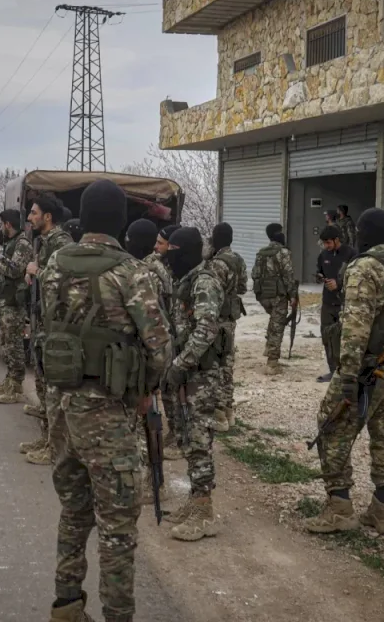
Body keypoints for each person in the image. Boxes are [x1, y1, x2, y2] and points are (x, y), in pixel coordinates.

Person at [42, 179, 172, 622]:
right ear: (119, 220)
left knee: (73, 511)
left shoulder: (54, 263)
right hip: (107, 414)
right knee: (117, 527)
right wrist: (145, 391)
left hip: (61, 408)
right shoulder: (131, 271)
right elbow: (160, 347)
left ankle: (66, 605)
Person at [305, 209, 384, 536]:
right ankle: (382, 510)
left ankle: (339, 507)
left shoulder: (363, 268)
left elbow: (356, 327)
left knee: (331, 425)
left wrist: (347, 376)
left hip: (368, 367)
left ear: (361, 233)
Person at [162, 227, 226, 541]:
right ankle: (195, 500)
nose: (168, 256)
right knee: (186, 437)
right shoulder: (186, 279)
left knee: (198, 441)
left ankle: (204, 512)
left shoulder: (204, 282)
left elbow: (206, 329)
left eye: (173, 250)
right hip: (189, 373)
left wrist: (181, 363)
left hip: (201, 375)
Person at [23, 195, 74, 466]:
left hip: (56, 326)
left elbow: (66, 283)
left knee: (53, 388)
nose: (29, 217)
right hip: (43, 322)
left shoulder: (62, 244)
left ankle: (55, 448)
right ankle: (46, 438)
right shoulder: (44, 241)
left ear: (48, 217)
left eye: (34, 213)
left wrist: (37, 272)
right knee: (42, 384)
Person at [125, 218, 171, 506]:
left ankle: (152, 482)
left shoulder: (141, 272)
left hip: (146, 353)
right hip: (159, 350)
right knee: (152, 421)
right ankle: (156, 481)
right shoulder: (158, 269)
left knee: (146, 420)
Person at [0, 210, 35, 405]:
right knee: (7, 344)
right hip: (6, 301)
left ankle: (16, 388)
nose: (0, 228)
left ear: (7, 224)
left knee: (14, 346)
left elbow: (15, 270)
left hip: (14, 303)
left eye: (2, 224)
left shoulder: (22, 244)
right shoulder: (12, 243)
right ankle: (9, 381)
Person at [205, 222, 247, 432]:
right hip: (230, 319)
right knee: (228, 364)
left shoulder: (216, 263)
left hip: (217, 319)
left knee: (216, 365)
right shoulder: (238, 259)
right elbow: (243, 288)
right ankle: (229, 411)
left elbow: (210, 290)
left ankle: (219, 413)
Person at [146, 223, 183, 461]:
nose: (155, 247)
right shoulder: (154, 267)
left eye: (161, 243)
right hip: (167, 333)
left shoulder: (182, 267)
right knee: (167, 387)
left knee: (177, 389)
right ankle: (175, 432)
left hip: (181, 334)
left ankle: (181, 436)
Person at [313, 225, 358, 383]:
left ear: (337, 240)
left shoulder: (352, 254)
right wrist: (319, 277)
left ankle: (347, 372)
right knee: (327, 336)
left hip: (345, 303)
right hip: (328, 302)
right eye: (324, 243)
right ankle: (333, 371)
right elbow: (319, 271)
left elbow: (357, 278)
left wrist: (338, 284)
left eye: (328, 242)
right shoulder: (323, 254)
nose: (326, 246)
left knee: (346, 338)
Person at [251, 223, 297, 375]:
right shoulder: (283, 252)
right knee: (278, 326)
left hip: (264, 296)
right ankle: (272, 363)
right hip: (278, 295)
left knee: (274, 320)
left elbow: (255, 274)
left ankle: (268, 347)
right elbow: (288, 276)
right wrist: (293, 295)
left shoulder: (261, 253)